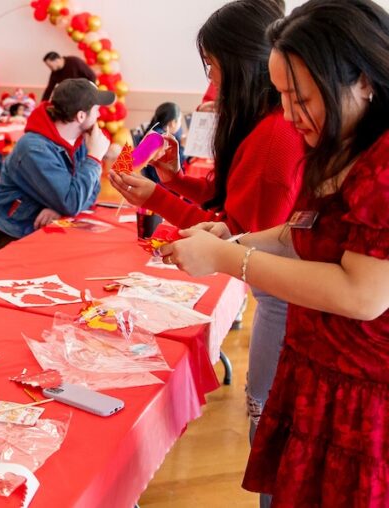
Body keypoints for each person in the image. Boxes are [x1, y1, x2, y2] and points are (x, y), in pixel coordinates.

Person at [158, 1, 389, 504]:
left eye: (301, 97)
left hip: (364, 396)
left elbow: (362, 294)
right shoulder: (336, 142)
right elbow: (300, 228)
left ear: (366, 80)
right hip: (316, 369)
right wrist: (233, 238)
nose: (287, 114)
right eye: (281, 94)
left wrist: (227, 258)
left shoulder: (383, 162)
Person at [112, 11, 303, 500]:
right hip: (279, 302)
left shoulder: (275, 136)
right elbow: (229, 202)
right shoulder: (264, 127)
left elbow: (235, 232)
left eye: (213, 69)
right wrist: (171, 179)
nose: (211, 84)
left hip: (282, 310)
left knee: (271, 436)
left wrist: (156, 198)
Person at [0, 79, 111, 260]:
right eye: (96, 109)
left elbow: (90, 193)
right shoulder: (34, 148)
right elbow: (74, 201)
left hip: (30, 233)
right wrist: (94, 159)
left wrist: (62, 209)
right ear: (81, 116)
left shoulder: (80, 140)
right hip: (0, 240)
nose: (99, 114)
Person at [138, 102, 184, 183]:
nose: (180, 124)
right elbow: (174, 167)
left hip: (152, 180)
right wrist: (183, 147)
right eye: (180, 120)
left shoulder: (154, 131)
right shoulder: (162, 139)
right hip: (159, 183)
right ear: (173, 123)